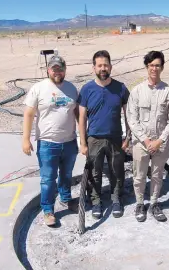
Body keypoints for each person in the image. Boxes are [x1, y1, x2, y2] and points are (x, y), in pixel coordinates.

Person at [22, 55, 79, 227]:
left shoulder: (71, 89)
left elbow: (77, 113)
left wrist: (83, 136)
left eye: (60, 68)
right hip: (47, 143)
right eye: (54, 68)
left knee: (66, 175)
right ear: (48, 70)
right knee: (48, 179)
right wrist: (26, 139)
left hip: (69, 142)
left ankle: (66, 198)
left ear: (65, 69)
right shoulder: (38, 88)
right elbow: (29, 114)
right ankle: (48, 210)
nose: (57, 72)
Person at [77, 50, 131, 219]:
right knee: (94, 173)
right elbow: (82, 117)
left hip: (115, 138)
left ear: (111, 67)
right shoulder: (87, 89)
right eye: (99, 65)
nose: (103, 68)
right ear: (94, 68)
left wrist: (128, 137)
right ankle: (95, 202)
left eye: (105, 65)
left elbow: (129, 114)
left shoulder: (120, 88)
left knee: (117, 171)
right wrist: (83, 143)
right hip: (94, 139)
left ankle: (116, 200)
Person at [126, 51, 169, 222]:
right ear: (146, 67)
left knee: (157, 175)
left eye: (157, 65)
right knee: (139, 175)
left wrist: (160, 140)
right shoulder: (137, 91)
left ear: (162, 67)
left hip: (161, 143)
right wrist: (147, 140)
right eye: (151, 65)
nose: (154, 68)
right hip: (141, 143)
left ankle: (155, 203)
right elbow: (132, 119)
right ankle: (140, 203)